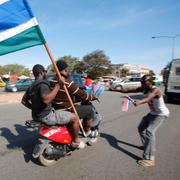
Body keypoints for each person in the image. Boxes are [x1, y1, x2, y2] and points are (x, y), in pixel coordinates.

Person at [21, 64, 85, 149]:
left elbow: (24, 101)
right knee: (75, 118)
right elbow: (46, 100)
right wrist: (58, 85)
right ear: (41, 72)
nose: (46, 73)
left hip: (36, 115)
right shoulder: (43, 84)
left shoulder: (31, 86)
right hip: (47, 116)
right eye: (45, 72)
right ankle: (75, 141)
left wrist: (35, 108)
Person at [116, 74, 169, 167]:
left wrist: (139, 102)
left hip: (161, 114)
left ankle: (149, 159)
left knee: (149, 131)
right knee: (141, 128)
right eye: (141, 81)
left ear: (150, 82)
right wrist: (119, 90)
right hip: (153, 113)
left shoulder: (155, 90)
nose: (142, 83)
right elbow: (129, 90)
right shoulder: (144, 88)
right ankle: (147, 146)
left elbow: (148, 98)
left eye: (144, 82)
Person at [49, 60, 98, 137]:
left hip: (55, 107)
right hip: (66, 109)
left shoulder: (51, 80)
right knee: (89, 110)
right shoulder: (67, 82)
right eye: (68, 69)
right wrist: (93, 97)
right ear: (65, 69)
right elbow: (84, 96)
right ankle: (87, 131)